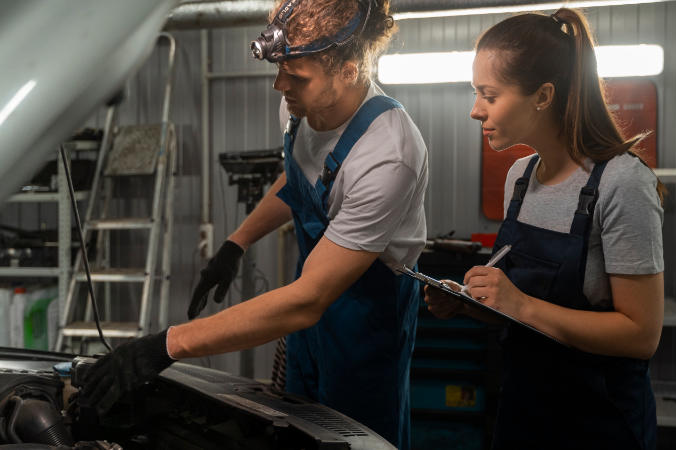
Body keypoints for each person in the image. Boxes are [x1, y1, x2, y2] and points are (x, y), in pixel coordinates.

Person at [79, 1, 428, 448]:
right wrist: (235, 243)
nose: (280, 85)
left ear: (349, 69)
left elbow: (308, 299)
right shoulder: (298, 110)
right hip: (314, 313)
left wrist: (166, 345)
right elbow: (301, 179)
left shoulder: (388, 155)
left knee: (357, 438)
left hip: (366, 324)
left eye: (296, 76)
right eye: (280, 68)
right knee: (298, 431)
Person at [424, 8, 665, 450]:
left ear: (543, 95)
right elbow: (519, 308)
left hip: (598, 423)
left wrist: (521, 304)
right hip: (524, 409)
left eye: (489, 95)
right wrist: (471, 304)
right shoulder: (520, 175)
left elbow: (641, 335)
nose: (475, 110)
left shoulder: (622, 183)